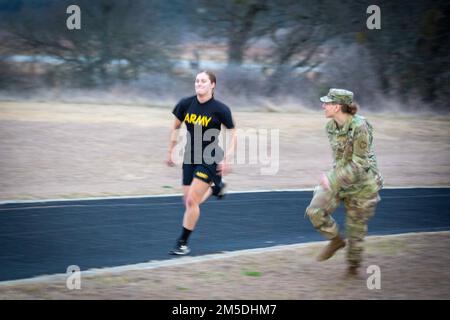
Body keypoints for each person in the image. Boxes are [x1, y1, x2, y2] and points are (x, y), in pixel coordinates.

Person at [305, 88, 383, 276]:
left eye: (327, 103)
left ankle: (352, 269)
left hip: (363, 185)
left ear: (337, 106)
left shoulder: (360, 126)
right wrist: (332, 179)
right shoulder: (331, 127)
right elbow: (340, 158)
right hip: (341, 180)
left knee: (355, 236)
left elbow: (359, 165)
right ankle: (336, 240)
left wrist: (331, 178)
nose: (323, 106)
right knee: (315, 211)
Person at [166, 70, 237, 255]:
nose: (199, 84)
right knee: (188, 201)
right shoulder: (185, 104)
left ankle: (182, 243)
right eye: (197, 81)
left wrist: (227, 157)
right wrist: (170, 150)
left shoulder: (221, 109)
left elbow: (233, 133)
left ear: (212, 85)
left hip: (210, 155)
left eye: (203, 81)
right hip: (190, 156)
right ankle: (215, 188)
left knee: (191, 201)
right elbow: (175, 127)